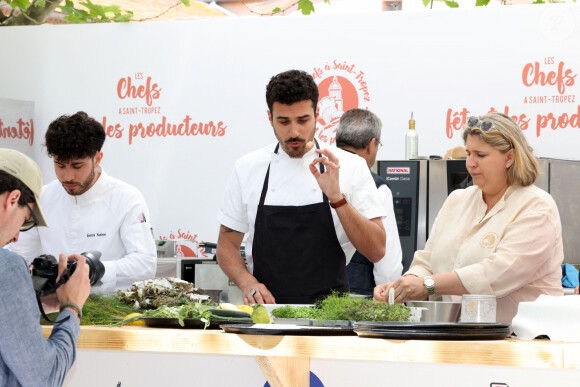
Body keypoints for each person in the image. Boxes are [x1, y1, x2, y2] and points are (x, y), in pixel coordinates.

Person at [374, 112, 564, 324]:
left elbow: (496, 274)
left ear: (509, 157)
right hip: (461, 337)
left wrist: (427, 284)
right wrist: (404, 285)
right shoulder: (457, 200)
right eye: (468, 153)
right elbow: (428, 261)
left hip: (524, 340)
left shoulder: (536, 206)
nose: (470, 163)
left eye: (480, 155)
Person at [217, 69, 387, 305]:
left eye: (303, 120)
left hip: (331, 318)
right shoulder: (247, 168)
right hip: (266, 315)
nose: (294, 132)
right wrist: (248, 283)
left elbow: (377, 250)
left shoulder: (351, 166)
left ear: (317, 114)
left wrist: (337, 198)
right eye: (283, 121)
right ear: (270, 118)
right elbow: (226, 245)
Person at [9, 112, 157, 293]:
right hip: (53, 310)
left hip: (110, 313)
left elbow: (145, 264)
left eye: (77, 166)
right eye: (60, 165)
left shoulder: (127, 199)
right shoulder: (42, 197)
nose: (68, 176)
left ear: (98, 158)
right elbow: (19, 254)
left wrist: (94, 269)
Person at [0, 148, 91, 386]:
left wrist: (32, 304)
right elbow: (44, 377)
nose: (17, 238)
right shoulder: (7, 267)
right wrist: (72, 308)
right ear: (12, 199)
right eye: (26, 219)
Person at [335, 108, 403, 295]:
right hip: (360, 297)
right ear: (371, 145)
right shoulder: (376, 187)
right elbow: (388, 266)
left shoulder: (319, 174)